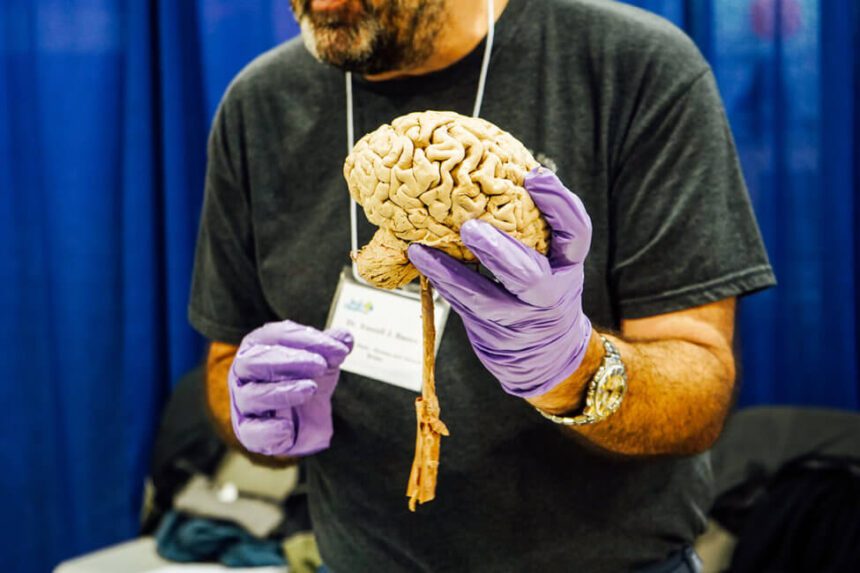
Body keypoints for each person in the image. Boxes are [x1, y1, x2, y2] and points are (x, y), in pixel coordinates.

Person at [189, 0, 776, 571]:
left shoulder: (633, 66)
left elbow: (701, 387)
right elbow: (226, 359)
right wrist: (266, 417)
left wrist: (575, 369)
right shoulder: (257, 105)